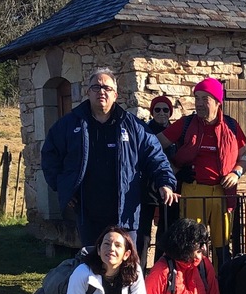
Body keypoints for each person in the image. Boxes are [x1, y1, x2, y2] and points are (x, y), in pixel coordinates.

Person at [40, 68, 178, 246]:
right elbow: (49, 156)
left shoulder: (133, 127)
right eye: (96, 87)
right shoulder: (69, 124)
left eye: (107, 88)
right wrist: (63, 186)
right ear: (88, 92)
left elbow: (156, 156)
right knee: (92, 259)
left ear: (115, 95)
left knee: (125, 260)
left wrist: (165, 182)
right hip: (88, 213)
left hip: (125, 211)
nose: (101, 92)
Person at [159, 79, 246, 262]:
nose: (199, 103)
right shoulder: (185, 124)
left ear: (217, 102)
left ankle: (220, 278)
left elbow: (245, 157)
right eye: (197, 98)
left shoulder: (232, 126)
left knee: (221, 245)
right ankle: (192, 278)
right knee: (191, 243)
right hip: (192, 190)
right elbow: (154, 146)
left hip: (223, 192)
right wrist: (172, 169)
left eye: (205, 99)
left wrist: (236, 173)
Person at [137, 93, 180, 264]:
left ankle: (161, 268)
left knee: (166, 231)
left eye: (165, 110)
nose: (161, 113)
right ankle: (139, 271)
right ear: (152, 112)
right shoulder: (145, 131)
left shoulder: (176, 133)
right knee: (143, 235)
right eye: (157, 109)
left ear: (170, 112)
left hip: (170, 189)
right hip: (147, 189)